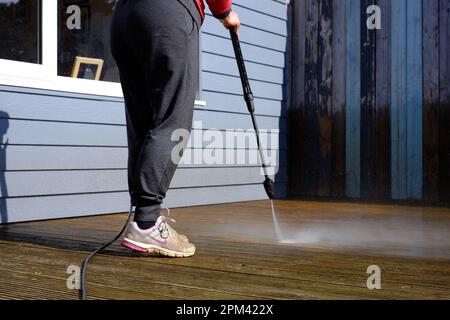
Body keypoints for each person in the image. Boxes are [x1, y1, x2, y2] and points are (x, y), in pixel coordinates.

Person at [110, 0, 240, 258]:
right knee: (173, 119)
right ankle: (147, 223)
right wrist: (224, 12)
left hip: (124, 17)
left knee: (143, 122)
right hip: (167, 14)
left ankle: (144, 219)